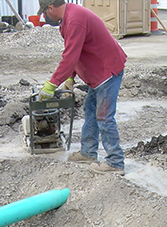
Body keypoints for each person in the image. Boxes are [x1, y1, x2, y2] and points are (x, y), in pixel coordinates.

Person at [37, 0, 127, 175]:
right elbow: (76, 52)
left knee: (104, 117)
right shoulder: (69, 18)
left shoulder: (74, 19)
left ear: (50, 8)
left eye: (45, 12)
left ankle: (115, 162)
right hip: (99, 73)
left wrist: (51, 85)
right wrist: (70, 77)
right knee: (90, 110)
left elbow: (70, 57)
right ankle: (88, 153)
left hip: (107, 71)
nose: (44, 16)